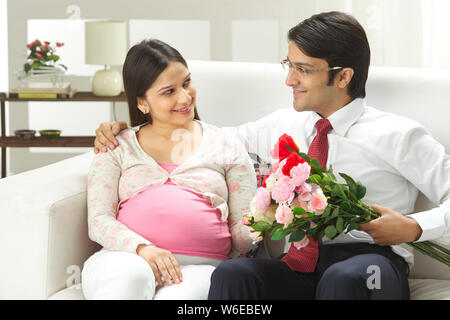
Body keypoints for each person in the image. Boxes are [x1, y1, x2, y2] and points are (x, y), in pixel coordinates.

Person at [93, 12, 450, 300]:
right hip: (299, 265)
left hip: (371, 265)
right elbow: (206, 141)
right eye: (289, 65)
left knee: (345, 278)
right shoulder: (280, 125)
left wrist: (415, 227)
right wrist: (126, 130)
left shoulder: (400, 135)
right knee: (234, 274)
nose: (289, 80)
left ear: (343, 77)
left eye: (303, 70)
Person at [82, 39, 257, 300]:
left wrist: (272, 217)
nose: (185, 98)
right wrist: (144, 248)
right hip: (126, 258)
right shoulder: (117, 145)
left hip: (201, 268)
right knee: (131, 278)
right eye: (168, 91)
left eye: (186, 82)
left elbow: (242, 234)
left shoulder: (225, 145)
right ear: (142, 102)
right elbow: (98, 221)